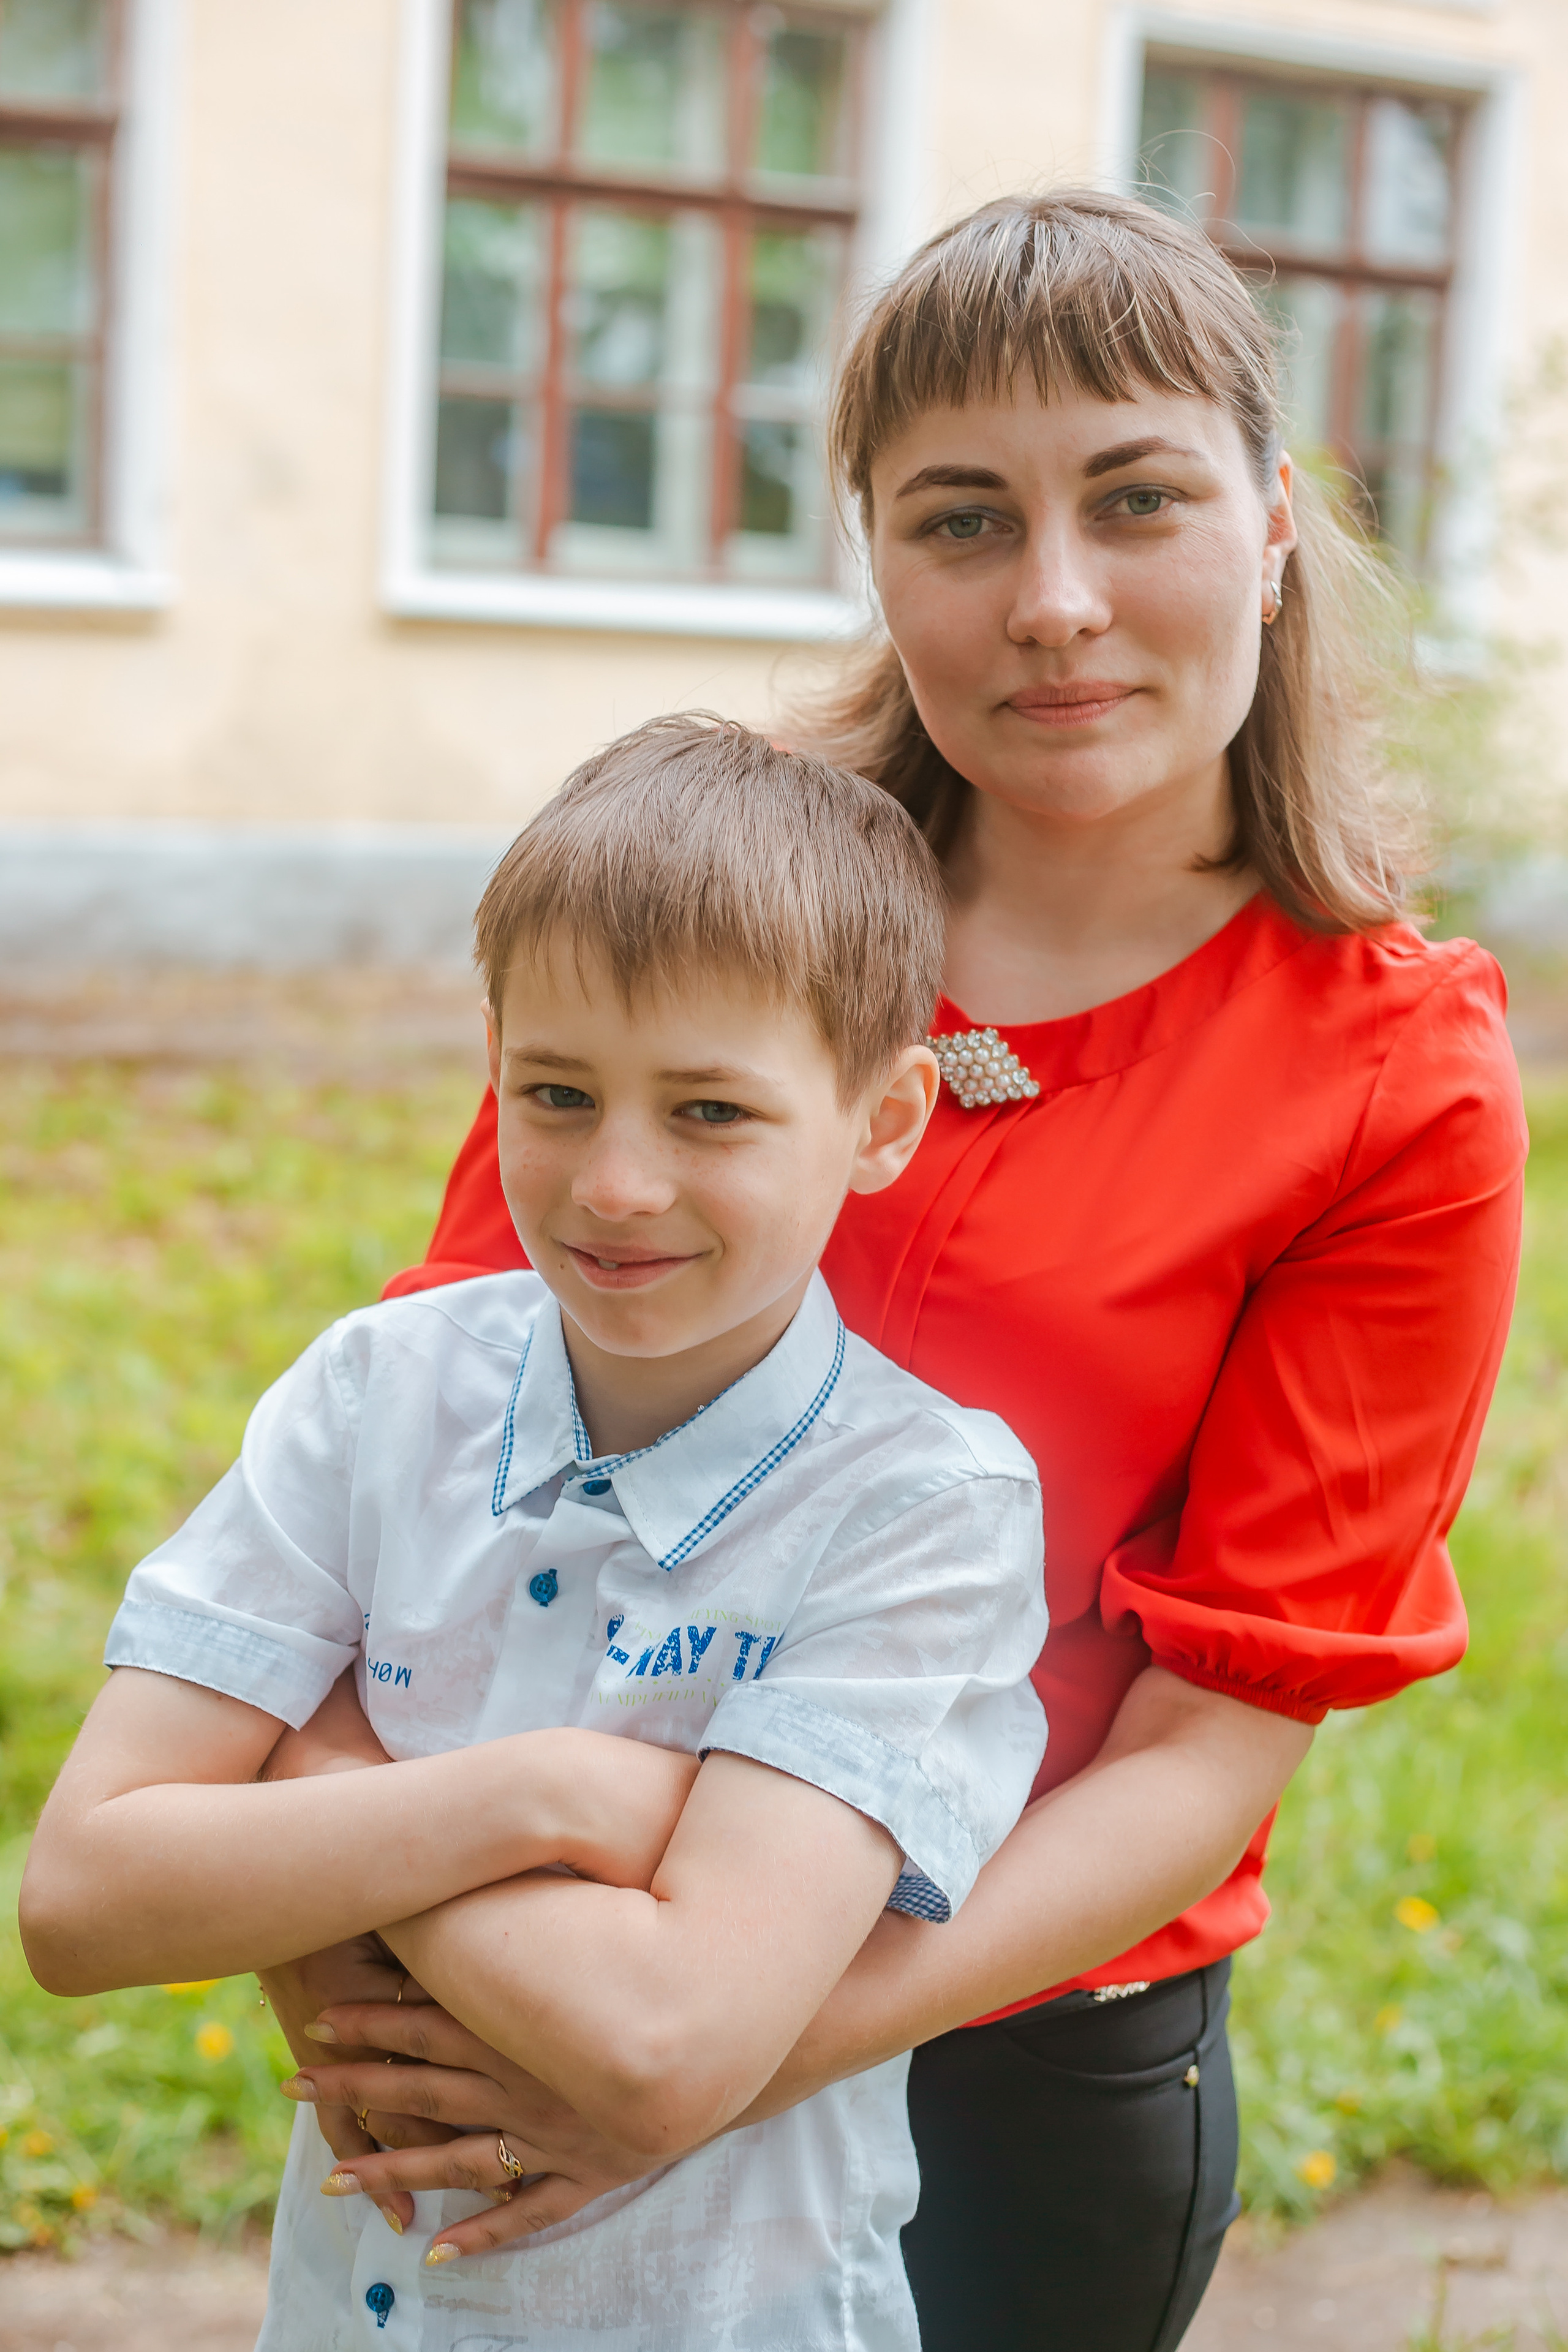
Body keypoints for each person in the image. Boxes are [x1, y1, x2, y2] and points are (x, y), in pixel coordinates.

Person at [269, 190, 1529, 2352]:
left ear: (1276, 518)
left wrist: (729, 2055)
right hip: (516, 1948)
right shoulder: (710, 912)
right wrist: (357, 1929)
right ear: (876, 552)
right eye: (962, 521)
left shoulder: (1393, 1077)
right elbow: (410, 1451)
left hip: (996, 2057)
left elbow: (1206, 1752)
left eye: (1136, 500)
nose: (1055, 602)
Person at [19, 718, 1052, 2351]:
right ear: (492, 1055)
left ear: (885, 1118)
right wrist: (543, 1797)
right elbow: (81, 1897)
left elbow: (661, 2043)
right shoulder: (377, 1396)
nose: (615, 1182)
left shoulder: (925, 1511)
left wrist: (316, 1792)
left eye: (712, 1113)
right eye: (556, 1093)